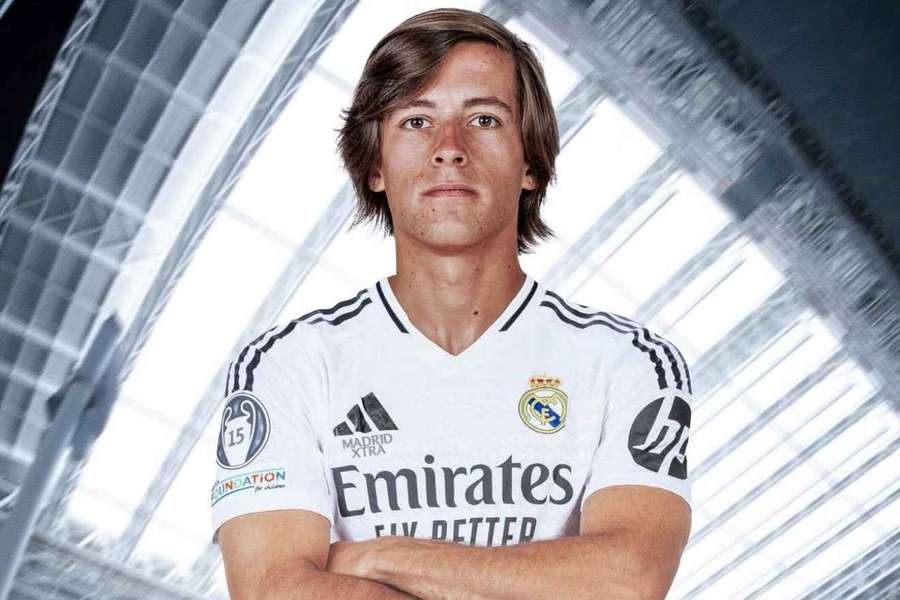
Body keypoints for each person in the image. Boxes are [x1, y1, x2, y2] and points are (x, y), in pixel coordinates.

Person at [211, 7, 694, 599]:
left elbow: (625, 581)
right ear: (375, 167)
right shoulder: (288, 364)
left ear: (531, 163)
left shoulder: (629, 363)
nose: (449, 149)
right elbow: (272, 589)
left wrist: (376, 556)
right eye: (416, 121)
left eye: (484, 119)